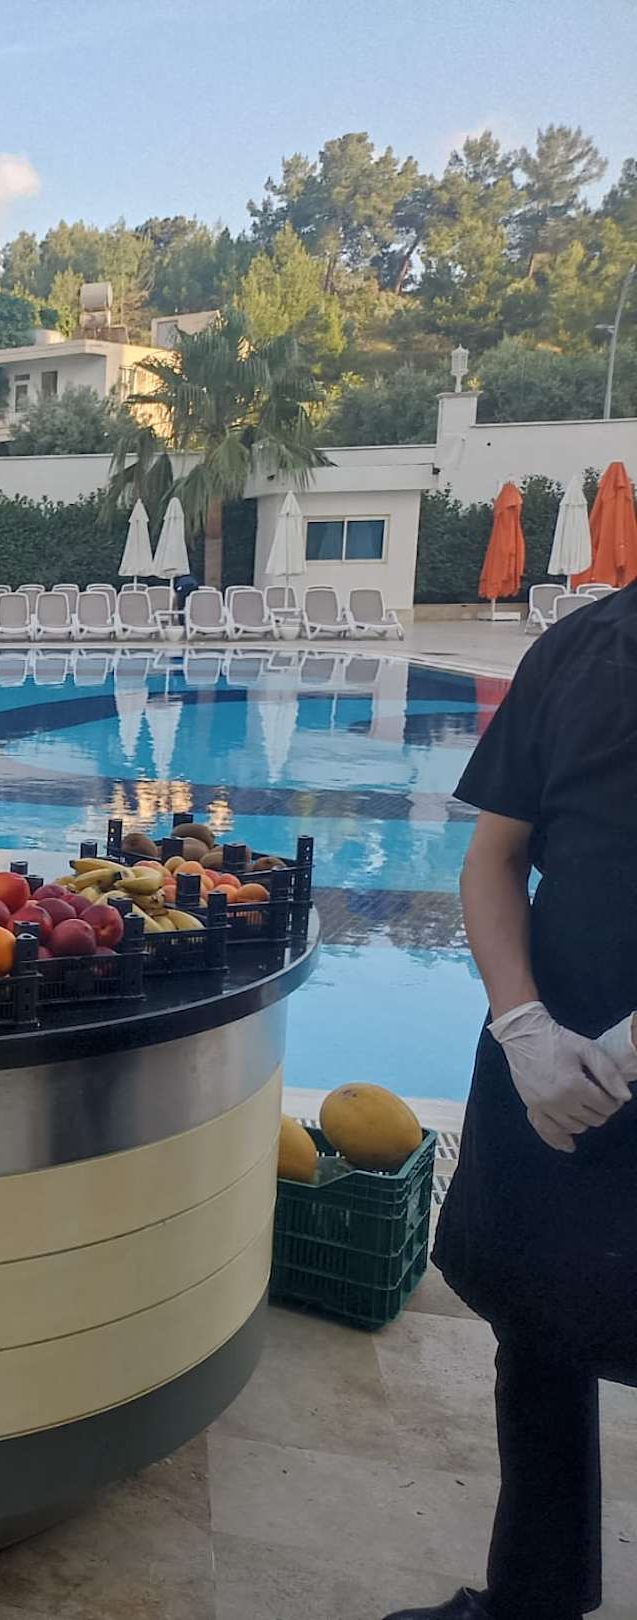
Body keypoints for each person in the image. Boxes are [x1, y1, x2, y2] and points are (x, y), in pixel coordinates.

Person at [383, 585, 637, 1620]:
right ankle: (531, 1599)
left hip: (612, 1057)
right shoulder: (576, 651)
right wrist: (522, 1025)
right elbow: (493, 858)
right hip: (548, 1062)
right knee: (534, 1330)